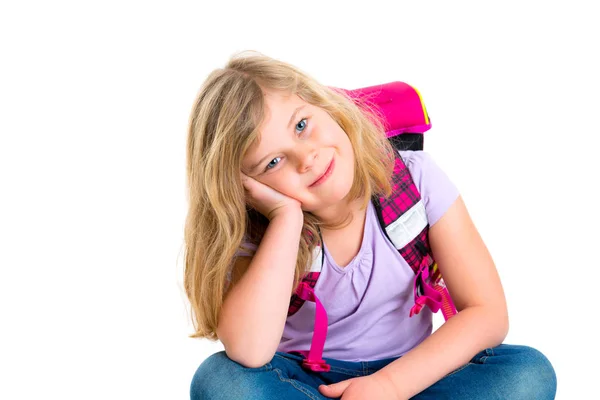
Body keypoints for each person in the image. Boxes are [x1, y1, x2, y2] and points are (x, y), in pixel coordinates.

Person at [183, 51, 557, 400]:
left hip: (415, 376)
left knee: (527, 372)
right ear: (248, 191)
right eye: (273, 162)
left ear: (323, 104)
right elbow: (249, 350)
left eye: (301, 125)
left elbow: (487, 312)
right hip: (303, 383)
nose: (306, 158)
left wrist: (390, 385)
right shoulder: (260, 231)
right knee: (220, 381)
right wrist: (285, 219)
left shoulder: (415, 180)